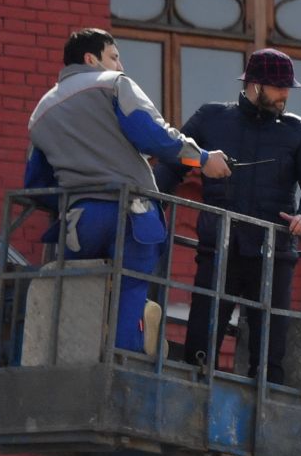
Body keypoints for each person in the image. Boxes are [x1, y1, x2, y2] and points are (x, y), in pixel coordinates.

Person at [24, 29, 230, 352]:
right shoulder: (113, 84)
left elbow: (35, 186)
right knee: (130, 292)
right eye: (114, 56)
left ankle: (75, 356)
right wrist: (202, 158)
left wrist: (75, 194)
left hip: (79, 221)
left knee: (82, 294)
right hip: (130, 215)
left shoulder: (41, 113)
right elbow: (154, 136)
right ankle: (123, 361)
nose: (120, 65)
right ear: (91, 59)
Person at [158, 48, 301, 385]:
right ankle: (195, 396)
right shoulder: (211, 118)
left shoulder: (299, 132)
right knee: (200, 346)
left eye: (287, 88)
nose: (285, 95)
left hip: (274, 253)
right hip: (218, 249)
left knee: (270, 358)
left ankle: (266, 412)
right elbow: (172, 164)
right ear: (254, 85)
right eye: (279, 87)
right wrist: (148, 201)